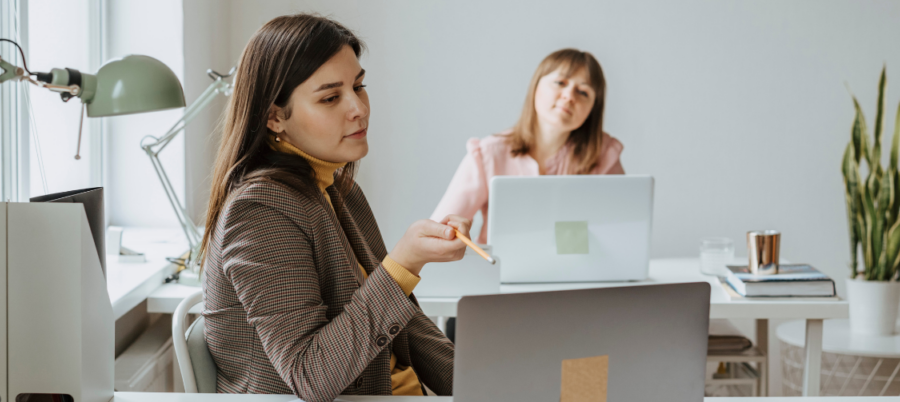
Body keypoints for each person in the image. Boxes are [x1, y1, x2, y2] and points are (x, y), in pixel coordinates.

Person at [198, 14, 466, 402]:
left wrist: (489, 384)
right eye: (330, 97)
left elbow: (406, 327)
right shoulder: (259, 211)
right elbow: (312, 375)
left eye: (359, 86)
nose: (358, 108)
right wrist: (403, 265)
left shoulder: (338, 188)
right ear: (275, 117)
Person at [431, 49, 625, 244]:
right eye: (560, 83)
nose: (569, 96)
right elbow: (438, 232)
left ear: (593, 109)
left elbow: (622, 232)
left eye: (583, 92)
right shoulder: (488, 154)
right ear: (535, 86)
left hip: (577, 272)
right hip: (497, 271)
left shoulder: (605, 156)